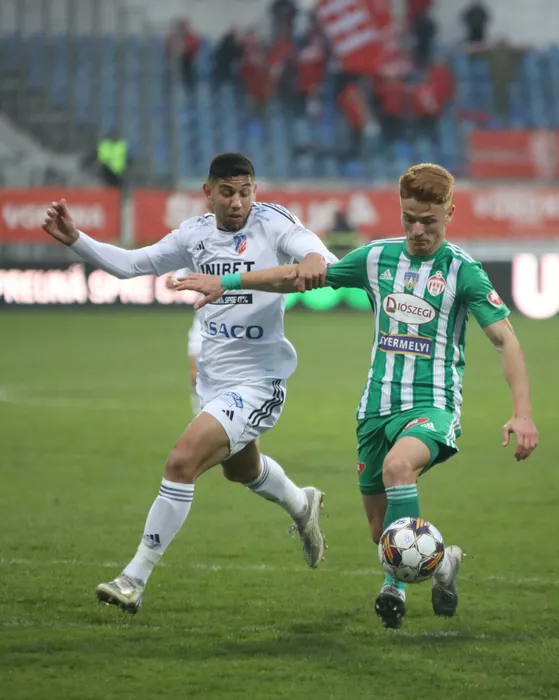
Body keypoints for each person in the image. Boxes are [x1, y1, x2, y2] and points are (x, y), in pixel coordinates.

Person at [175, 163, 539, 629]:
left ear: (450, 212)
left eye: (428, 221)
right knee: (380, 532)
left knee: (398, 467)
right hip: (375, 410)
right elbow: (297, 277)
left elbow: (505, 339)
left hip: (433, 404)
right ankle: (443, 562)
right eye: (409, 218)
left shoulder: (462, 272)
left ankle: (393, 589)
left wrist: (522, 413)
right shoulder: (376, 258)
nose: (417, 230)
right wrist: (225, 282)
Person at [39, 153, 335, 614]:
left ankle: (133, 579)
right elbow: (132, 264)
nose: (237, 202)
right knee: (242, 471)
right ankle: (302, 504)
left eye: (245, 192)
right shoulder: (193, 234)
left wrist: (301, 261)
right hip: (214, 382)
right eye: (227, 192)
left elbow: (318, 258)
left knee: (181, 462)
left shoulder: (273, 223)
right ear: (208, 192)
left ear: (255, 191)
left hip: (259, 381)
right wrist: (78, 239)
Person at [168, 269, 207, 415]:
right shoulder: (202, 256)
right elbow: (171, 282)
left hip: (236, 325)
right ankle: (199, 417)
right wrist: (176, 280)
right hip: (203, 324)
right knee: (196, 375)